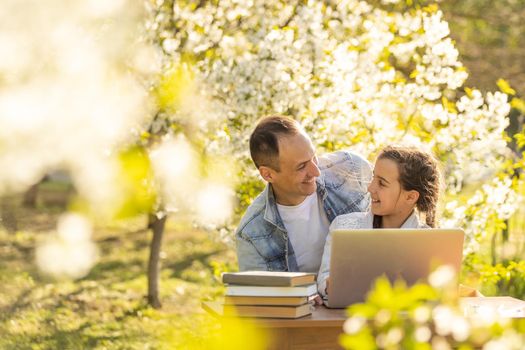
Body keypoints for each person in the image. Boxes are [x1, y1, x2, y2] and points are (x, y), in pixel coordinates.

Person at [236, 115, 372, 277]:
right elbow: (262, 298)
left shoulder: (352, 168)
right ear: (268, 174)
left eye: (313, 157)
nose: (316, 171)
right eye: (301, 167)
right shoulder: (251, 234)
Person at [317, 145, 441, 296]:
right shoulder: (343, 226)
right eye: (373, 178)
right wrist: (330, 285)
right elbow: (323, 279)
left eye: (381, 183)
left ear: (410, 197)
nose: (370, 188)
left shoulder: (431, 242)